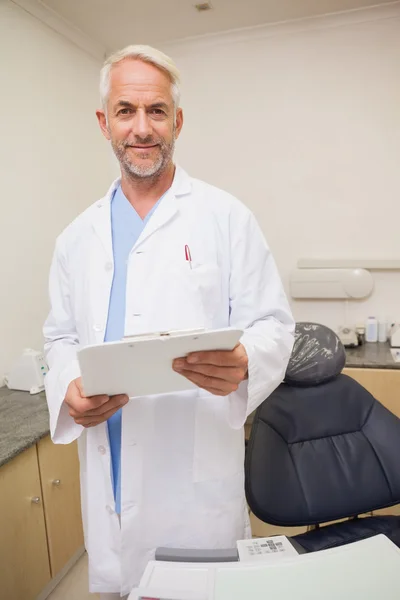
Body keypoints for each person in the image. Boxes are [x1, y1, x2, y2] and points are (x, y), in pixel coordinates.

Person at [43, 45, 295, 599]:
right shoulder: (75, 239)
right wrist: (68, 389)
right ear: (104, 122)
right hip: (110, 472)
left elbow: (274, 324)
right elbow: (59, 336)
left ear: (176, 121)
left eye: (156, 111)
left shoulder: (225, 217)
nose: (141, 128)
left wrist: (245, 361)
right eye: (126, 110)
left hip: (195, 485)